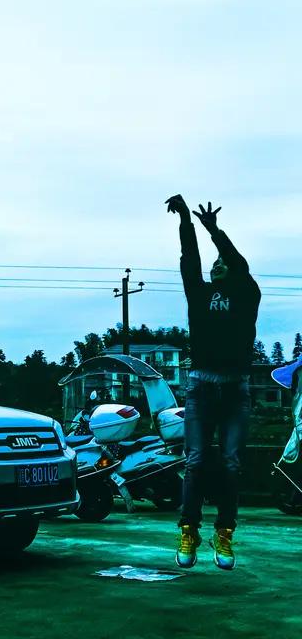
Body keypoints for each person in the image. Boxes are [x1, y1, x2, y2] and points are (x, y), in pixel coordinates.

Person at [165, 195, 261, 570]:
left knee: (232, 463)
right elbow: (190, 260)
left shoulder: (247, 294)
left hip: (235, 390)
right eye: (215, 263)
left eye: (225, 263)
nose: (218, 264)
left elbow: (238, 262)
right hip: (201, 388)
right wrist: (187, 223)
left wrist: (214, 231)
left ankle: (224, 534)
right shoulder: (199, 294)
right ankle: (189, 529)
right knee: (196, 461)